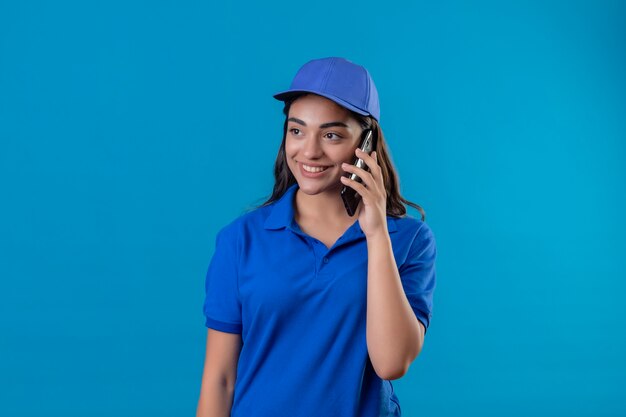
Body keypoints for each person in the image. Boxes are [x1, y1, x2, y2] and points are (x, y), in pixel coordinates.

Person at [196, 57, 437, 417]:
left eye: (331, 135)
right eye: (297, 130)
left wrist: (375, 234)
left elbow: (391, 363)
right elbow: (220, 380)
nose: (309, 151)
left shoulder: (408, 240)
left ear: (367, 142)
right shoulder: (241, 240)